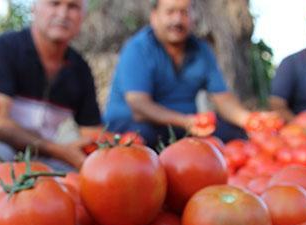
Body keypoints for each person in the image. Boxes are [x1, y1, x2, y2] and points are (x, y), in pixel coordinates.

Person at [0, 0, 101, 170]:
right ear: (34, 8)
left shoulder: (80, 70)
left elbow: (91, 133)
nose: (63, 14)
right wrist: (58, 151)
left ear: (82, 16)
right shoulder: (3, 49)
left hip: (45, 157)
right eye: (54, 4)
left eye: (73, 7)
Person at [102, 0, 250, 147]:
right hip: (135, 124)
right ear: (154, 17)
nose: (177, 20)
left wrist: (249, 120)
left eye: (184, 12)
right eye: (170, 12)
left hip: (182, 128)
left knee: (234, 133)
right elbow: (139, 106)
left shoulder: (202, 51)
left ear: (193, 17)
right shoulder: (138, 48)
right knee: (142, 137)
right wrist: (186, 121)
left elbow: (223, 99)